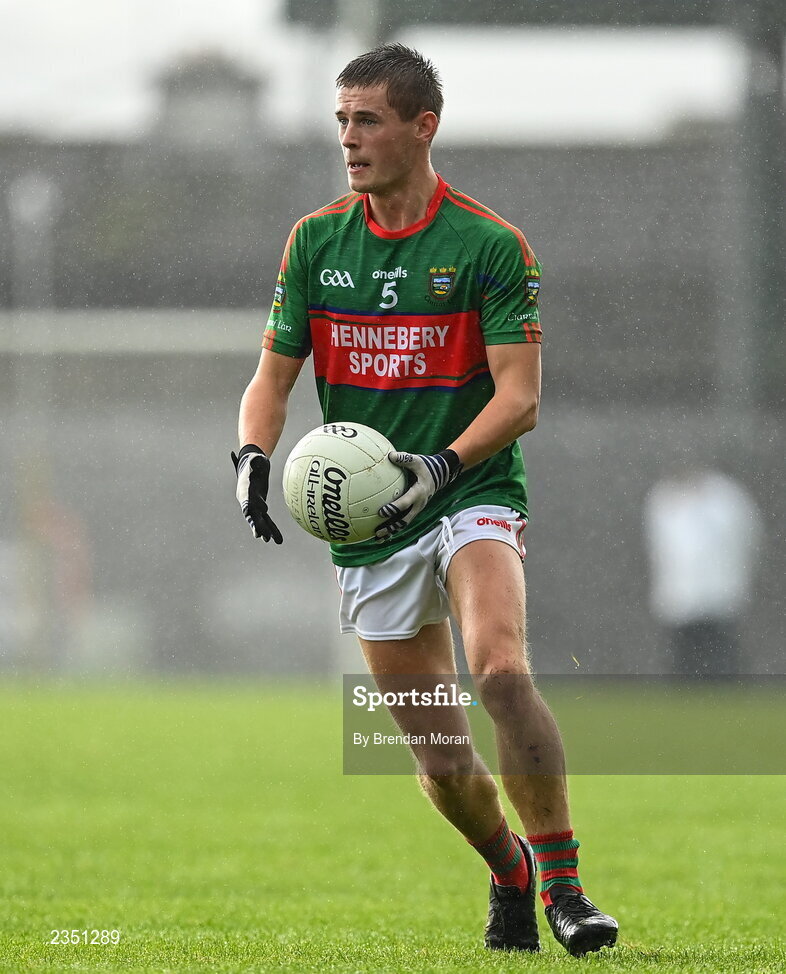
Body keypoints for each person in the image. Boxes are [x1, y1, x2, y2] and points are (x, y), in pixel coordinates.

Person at [233, 44, 617, 957]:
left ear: (422, 126)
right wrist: (251, 453)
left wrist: (438, 470)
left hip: (466, 490)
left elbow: (519, 398)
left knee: (500, 670)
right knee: (443, 765)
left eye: (367, 120)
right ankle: (510, 871)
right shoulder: (316, 240)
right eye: (341, 122)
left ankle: (564, 886)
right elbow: (272, 379)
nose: (349, 140)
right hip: (370, 526)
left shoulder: (488, 244)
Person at [644, 465, 763, 677]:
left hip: (719, 596)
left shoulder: (726, 497)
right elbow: (662, 548)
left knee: (719, 656)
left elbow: (748, 536)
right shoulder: (663, 498)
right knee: (686, 657)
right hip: (681, 599)